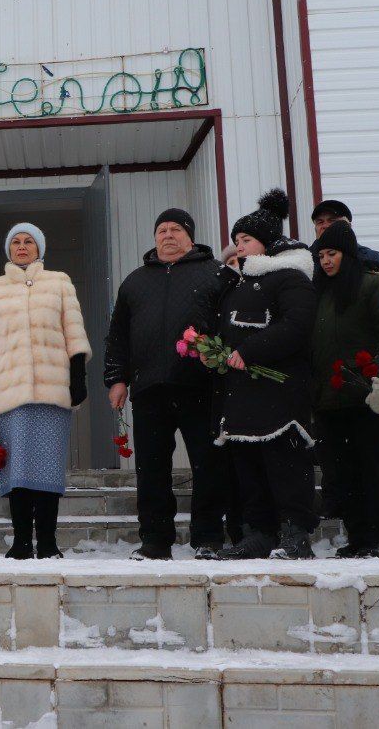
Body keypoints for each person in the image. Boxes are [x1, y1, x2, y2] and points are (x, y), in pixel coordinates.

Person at [104, 208, 241, 561]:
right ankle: (155, 541)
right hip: (149, 390)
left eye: (176, 229)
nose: (168, 235)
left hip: (201, 387)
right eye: (161, 229)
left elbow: (233, 326)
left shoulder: (215, 274)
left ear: (190, 237)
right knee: (151, 470)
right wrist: (117, 379)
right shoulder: (134, 282)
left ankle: (208, 538)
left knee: (208, 465)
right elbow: (118, 336)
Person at [201, 189, 319, 560]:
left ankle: (294, 531)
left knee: (284, 463)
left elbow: (297, 325)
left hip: (279, 390)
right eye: (235, 241)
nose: (238, 248)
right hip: (241, 393)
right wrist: (214, 352)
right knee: (248, 467)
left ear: (267, 245)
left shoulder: (290, 277)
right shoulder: (236, 283)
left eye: (246, 241)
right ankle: (259, 532)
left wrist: (248, 351)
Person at [0, 223, 91, 559]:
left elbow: (74, 332)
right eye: (16, 242)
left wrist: (78, 375)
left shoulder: (60, 283)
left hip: (52, 389)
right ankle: (21, 541)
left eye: (29, 242)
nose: (22, 247)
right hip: (9, 392)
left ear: (40, 248)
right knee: (17, 470)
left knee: (48, 469)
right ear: (9, 249)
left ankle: (47, 542)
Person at [311, 221, 379, 557]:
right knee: (341, 471)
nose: (326, 261)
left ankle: (377, 538)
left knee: (371, 469)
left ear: (347, 254)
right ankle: (357, 536)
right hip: (329, 400)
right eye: (321, 256)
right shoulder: (318, 294)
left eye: (331, 254)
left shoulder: (372, 285)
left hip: (365, 396)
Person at [310, 199, 379, 284]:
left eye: (332, 221)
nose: (325, 226)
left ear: (348, 226)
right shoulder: (306, 260)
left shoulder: (371, 258)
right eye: (320, 222)